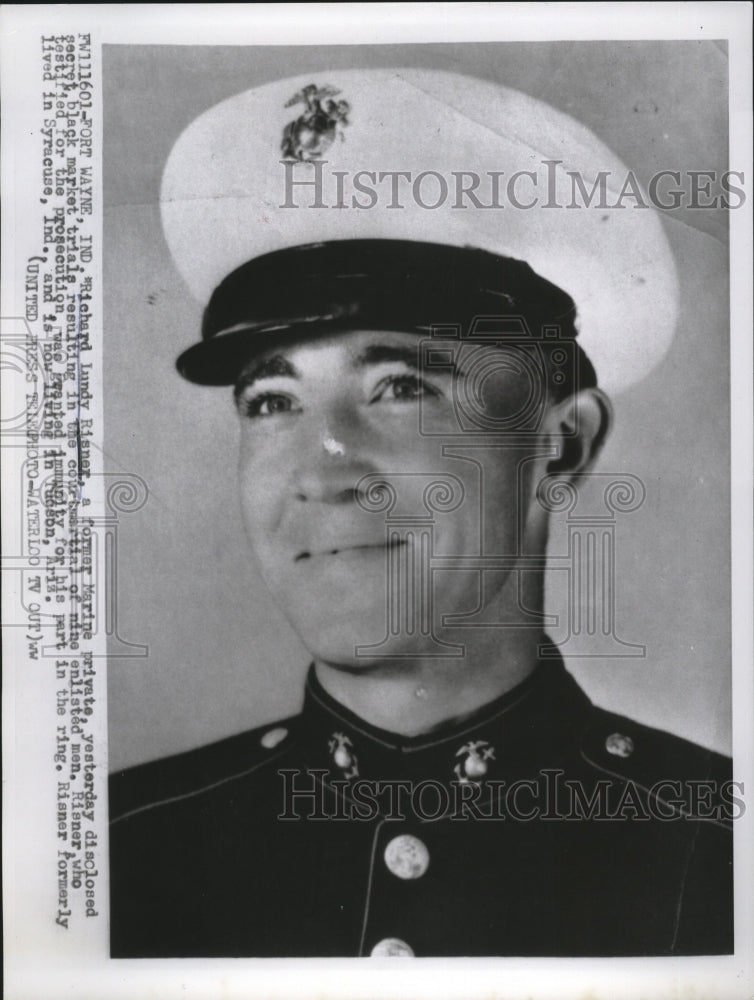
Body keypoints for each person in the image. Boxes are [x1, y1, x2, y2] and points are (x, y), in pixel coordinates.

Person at [109, 69, 733, 958]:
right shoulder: (121, 850)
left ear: (561, 446)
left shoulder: (717, 853)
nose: (321, 469)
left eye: (401, 388)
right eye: (273, 402)